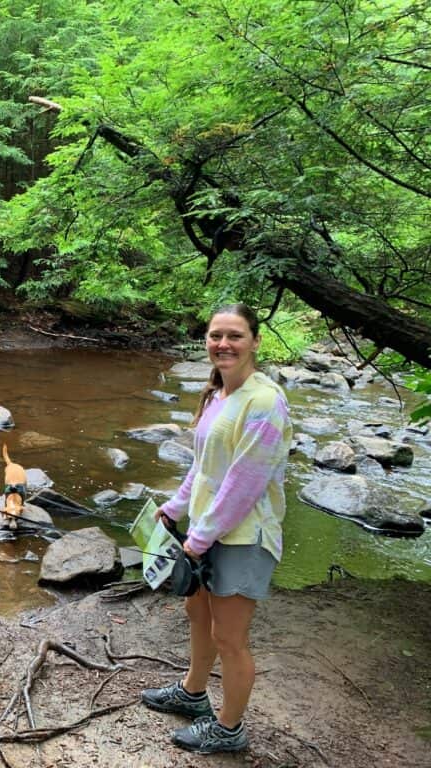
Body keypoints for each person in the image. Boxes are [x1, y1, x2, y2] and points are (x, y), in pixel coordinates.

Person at [140, 303, 292, 754]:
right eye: (215, 335)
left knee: (229, 637)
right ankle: (192, 694)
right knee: (198, 616)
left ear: (255, 342)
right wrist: (173, 508)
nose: (223, 344)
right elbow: (204, 468)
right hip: (206, 533)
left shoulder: (265, 402)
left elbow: (245, 483)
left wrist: (199, 538)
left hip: (244, 538)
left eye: (235, 336)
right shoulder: (220, 395)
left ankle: (229, 729)